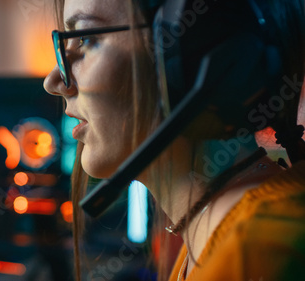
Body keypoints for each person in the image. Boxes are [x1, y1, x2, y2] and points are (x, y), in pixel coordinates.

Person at [43, 0, 305, 280]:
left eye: (85, 38)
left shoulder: (254, 251)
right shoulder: (214, 230)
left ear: (198, 48)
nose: (53, 82)